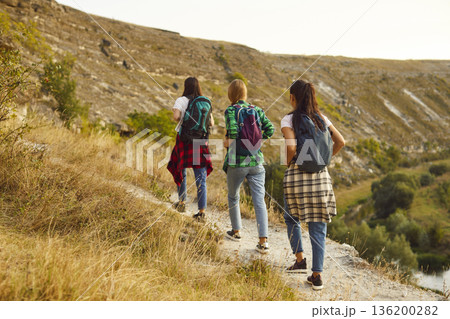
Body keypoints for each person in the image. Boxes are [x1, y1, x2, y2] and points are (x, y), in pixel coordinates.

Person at [281, 80, 345, 290]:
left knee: (291, 216)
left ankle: (300, 261)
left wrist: (288, 163)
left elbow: (291, 147)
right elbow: (341, 142)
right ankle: (317, 276)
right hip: (321, 177)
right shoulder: (322, 118)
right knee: (318, 225)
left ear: (293, 98)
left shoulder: (289, 119)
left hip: (297, 175)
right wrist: (324, 159)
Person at [223, 79, 274, 254]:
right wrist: (256, 142)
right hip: (257, 161)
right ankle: (263, 242)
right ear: (245, 94)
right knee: (259, 201)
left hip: (237, 162)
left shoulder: (231, 110)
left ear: (231, 94)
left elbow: (233, 134)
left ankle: (236, 232)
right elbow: (270, 129)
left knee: (233, 196)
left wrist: (226, 142)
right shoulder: (257, 110)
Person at [167, 77, 214, 221]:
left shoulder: (181, 100)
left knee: (181, 169)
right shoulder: (204, 101)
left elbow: (176, 117)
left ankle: (182, 202)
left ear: (185, 86)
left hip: (184, 140)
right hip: (200, 140)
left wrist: (182, 116)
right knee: (200, 176)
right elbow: (211, 122)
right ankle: (201, 212)